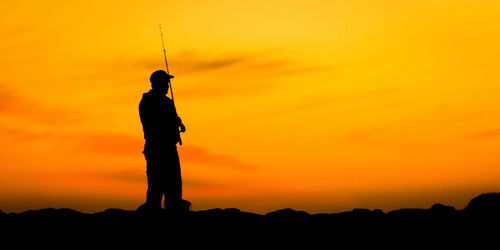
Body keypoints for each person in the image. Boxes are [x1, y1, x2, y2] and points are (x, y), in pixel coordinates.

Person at [137, 70, 189, 214]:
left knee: (174, 186)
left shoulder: (166, 102)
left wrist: (178, 123)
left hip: (169, 148)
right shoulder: (148, 102)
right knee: (156, 185)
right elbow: (154, 123)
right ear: (157, 84)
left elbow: (173, 119)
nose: (168, 85)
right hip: (157, 148)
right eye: (165, 82)